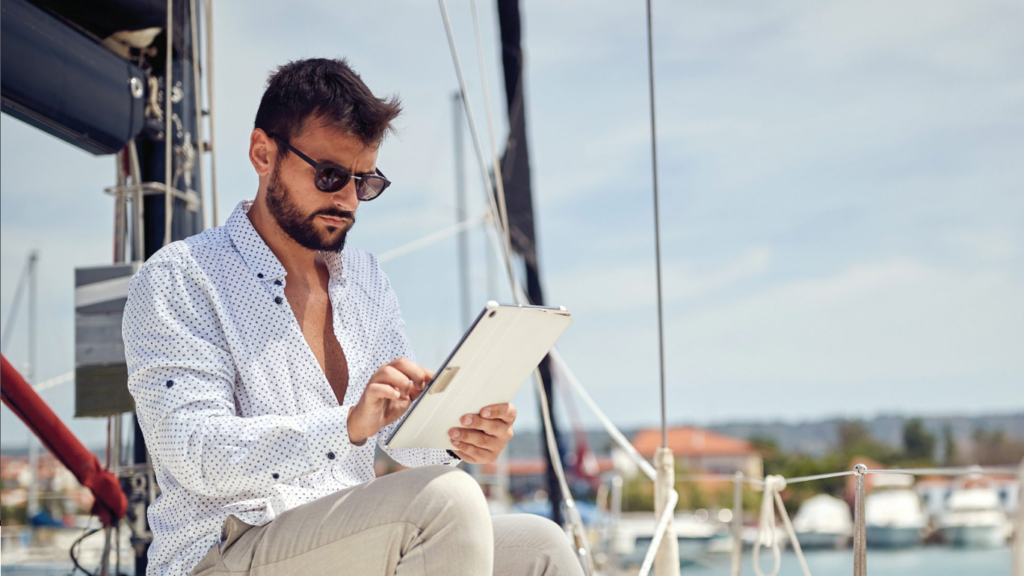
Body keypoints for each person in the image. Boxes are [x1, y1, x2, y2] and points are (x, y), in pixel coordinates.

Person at [123, 58, 584, 576]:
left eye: (364, 182)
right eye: (330, 175)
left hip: (343, 541)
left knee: (540, 546)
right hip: (222, 553)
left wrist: (457, 435)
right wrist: (346, 424)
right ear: (262, 153)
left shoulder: (364, 277)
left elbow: (396, 437)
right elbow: (194, 453)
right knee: (445, 504)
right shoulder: (181, 277)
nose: (347, 200)